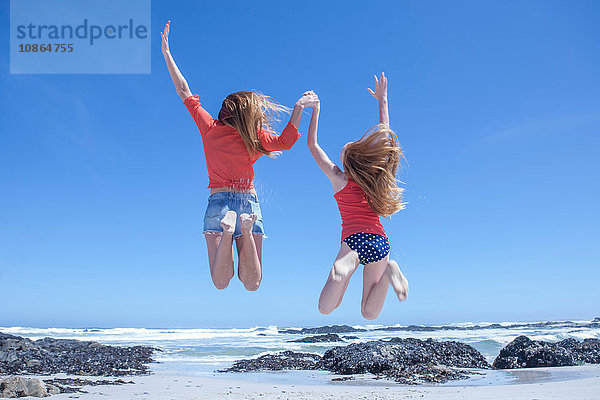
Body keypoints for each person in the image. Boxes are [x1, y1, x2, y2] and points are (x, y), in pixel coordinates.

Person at [161, 21, 318, 291]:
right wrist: (299, 108)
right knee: (252, 283)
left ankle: (226, 230)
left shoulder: (210, 128)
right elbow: (286, 142)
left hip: (218, 202)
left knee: (220, 282)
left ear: (224, 111)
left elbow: (184, 91)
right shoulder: (254, 138)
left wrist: (167, 54)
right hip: (248, 201)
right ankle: (244, 229)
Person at [305, 73, 409, 320]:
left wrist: (316, 111)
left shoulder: (339, 180)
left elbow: (312, 144)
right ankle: (389, 272)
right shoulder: (377, 180)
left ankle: (348, 262)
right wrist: (382, 101)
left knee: (326, 307)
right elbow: (386, 138)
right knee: (368, 313)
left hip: (354, 241)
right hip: (380, 243)